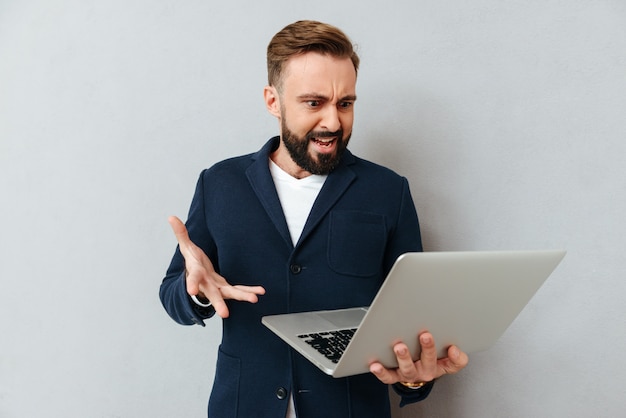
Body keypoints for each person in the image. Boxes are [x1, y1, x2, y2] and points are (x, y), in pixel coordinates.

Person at [159, 20, 468, 418]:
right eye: (313, 103)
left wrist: (415, 377)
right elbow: (173, 293)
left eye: (345, 103)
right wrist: (194, 290)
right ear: (273, 102)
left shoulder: (388, 191)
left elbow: (415, 323)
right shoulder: (220, 183)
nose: (333, 123)